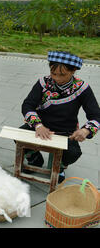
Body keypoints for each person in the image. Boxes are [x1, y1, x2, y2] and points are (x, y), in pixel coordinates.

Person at [20, 51, 100, 183]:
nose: (57, 78)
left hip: (66, 130)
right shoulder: (43, 82)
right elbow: (27, 105)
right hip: (41, 126)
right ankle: (35, 160)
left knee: (73, 153)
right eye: (53, 73)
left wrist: (85, 130)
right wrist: (38, 125)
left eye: (63, 74)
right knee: (20, 137)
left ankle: (59, 166)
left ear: (73, 70)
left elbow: (96, 115)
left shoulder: (82, 88)